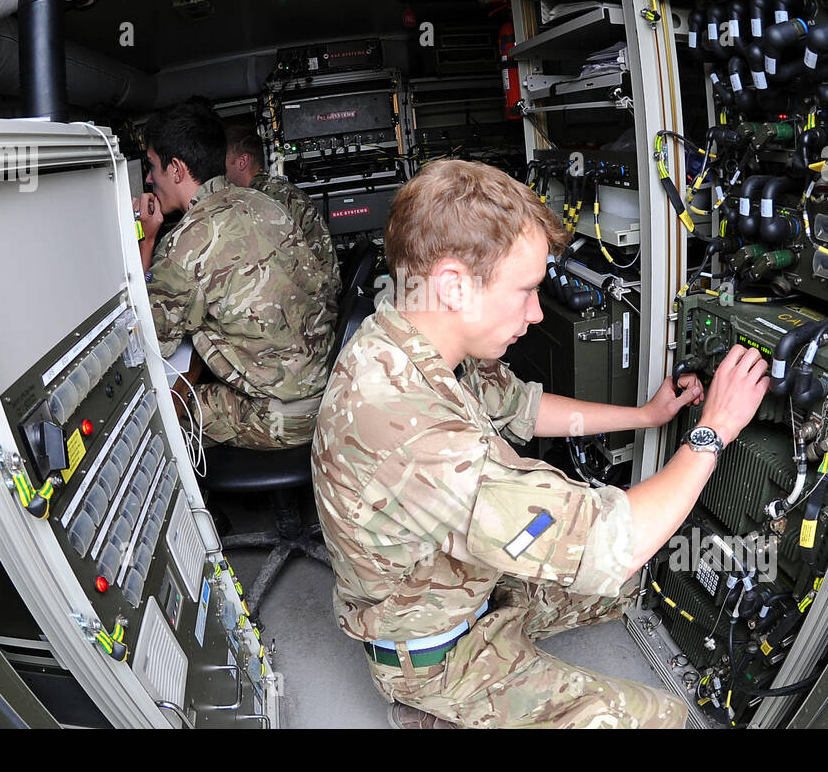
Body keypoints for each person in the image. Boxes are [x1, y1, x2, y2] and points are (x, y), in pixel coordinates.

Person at [311, 159, 769, 728]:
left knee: (636, 582)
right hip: (438, 653)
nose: (534, 313)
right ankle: (428, 710)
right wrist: (713, 431)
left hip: (466, 583)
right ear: (454, 285)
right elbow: (611, 542)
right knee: (663, 717)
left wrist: (645, 414)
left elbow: (524, 408)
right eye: (526, 290)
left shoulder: (415, 338)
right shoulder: (403, 424)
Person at [136, 102, 336, 449]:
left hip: (281, 418)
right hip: (325, 391)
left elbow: (151, 340)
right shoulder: (264, 203)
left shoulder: (185, 244)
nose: (150, 178)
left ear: (177, 169)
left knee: (164, 412)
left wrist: (148, 237)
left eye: (153, 167)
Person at [223, 122, 341, 315]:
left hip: (310, 309)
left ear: (242, 162)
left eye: (224, 161)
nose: (221, 171)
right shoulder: (277, 191)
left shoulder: (259, 201)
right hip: (317, 300)